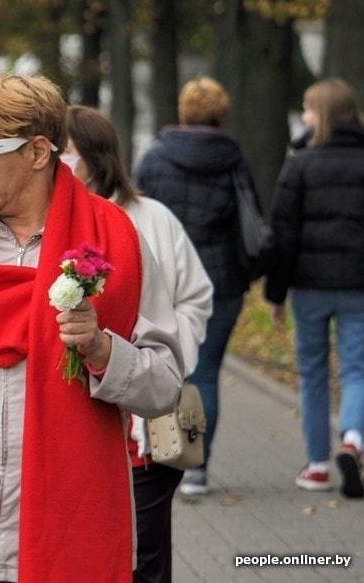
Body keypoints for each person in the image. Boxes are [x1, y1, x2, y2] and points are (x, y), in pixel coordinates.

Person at [0, 73, 182, 582]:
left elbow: (165, 386)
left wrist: (101, 349)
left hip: (68, 516)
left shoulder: (115, 243)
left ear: (38, 152)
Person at [65, 106, 213, 583]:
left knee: (144, 555)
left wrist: (169, 355)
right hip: (78, 428)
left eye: (64, 151)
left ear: (93, 157)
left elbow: (196, 296)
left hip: (146, 434)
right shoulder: (49, 222)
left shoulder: (152, 219)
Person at [135, 76, 262, 497]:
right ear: (220, 112)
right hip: (221, 280)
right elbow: (249, 217)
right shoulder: (232, 159)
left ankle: (160, 453)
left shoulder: (155, 158)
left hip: (163, 279)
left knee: (164, 365)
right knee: (205, 373)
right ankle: (196, 468)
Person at [266, 78, 364, 499]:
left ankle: (316, 466)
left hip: (309, 286)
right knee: (354, 369)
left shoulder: (300, 164)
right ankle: (352, 439)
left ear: (323, 115)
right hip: (362, 285)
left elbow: (282, 234)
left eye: (309, 110)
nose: (305, 117)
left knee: (312, 374)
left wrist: (276, 292)